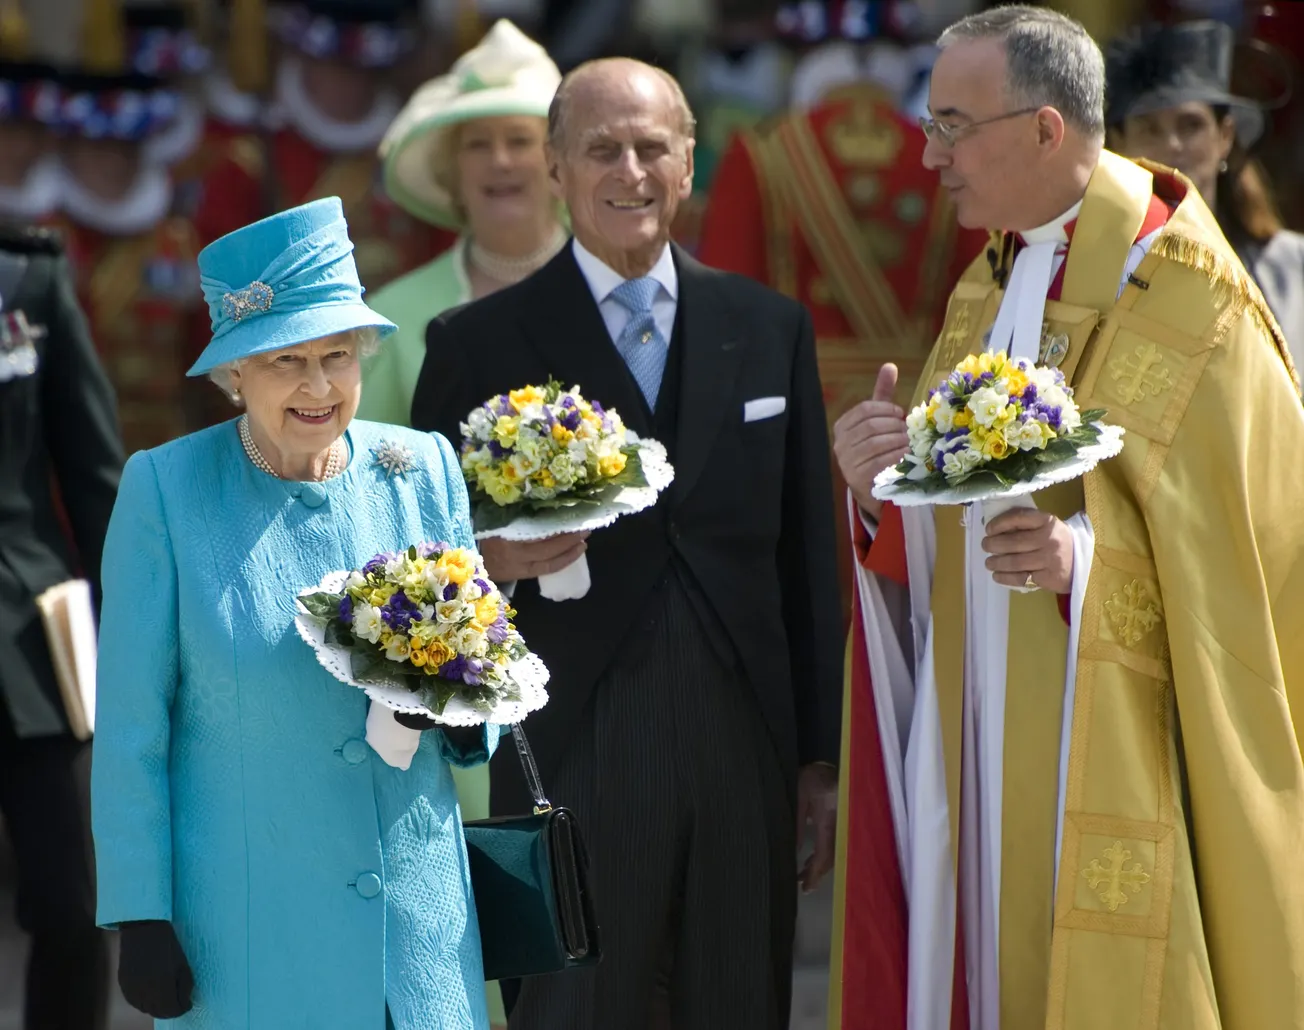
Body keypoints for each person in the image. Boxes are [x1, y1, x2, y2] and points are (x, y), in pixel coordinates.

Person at [832, 6, 1304, 1029]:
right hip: (975, 726)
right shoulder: (988, 282)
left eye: (953, 126)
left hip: (1107, 741)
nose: (929, 155)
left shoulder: (1191, 296)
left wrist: (1081, 561)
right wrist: (879, 493)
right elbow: (943, 517)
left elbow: (1251, 568)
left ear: (1045, 129)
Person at [411, 57, 843, 1029]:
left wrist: (819, 759)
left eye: (652, 147)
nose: (630, 172)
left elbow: (804, 561)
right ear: (555, 167)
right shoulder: (475, 341)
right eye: (601, 149)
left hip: (745, 742)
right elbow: (425, 557)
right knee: (576, 1009)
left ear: (688, 161)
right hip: (571, 740)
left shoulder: (768, 327)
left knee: (738, 1003)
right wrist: (493, 561)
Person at [90, 196, 502, 1030]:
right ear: (234, 374)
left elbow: (484, 669)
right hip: (247, 934)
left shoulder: (421, 469)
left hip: (414, 932)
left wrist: (456, 711)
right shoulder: (166, 490)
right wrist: (138, 911)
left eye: (337, 356)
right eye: (287, 361)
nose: (319, 387)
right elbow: (133, 728)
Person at [698, 0, 988, 621]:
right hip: (921, 427)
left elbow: (725, 313)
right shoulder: (944, 158)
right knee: (920, 616)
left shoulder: (760, 153)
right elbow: (981, 301)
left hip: (797, 428)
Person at [0, 222, 122, 1030]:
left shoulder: (26, 280)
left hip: (31, 648)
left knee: (74, 906)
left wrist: (134, 637)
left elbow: (94, 475)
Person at [359, 18, 565, 427]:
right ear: (452, 172)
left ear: (558, 161)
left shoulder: (615, 290)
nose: (500, 160)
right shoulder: (391, 317)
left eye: (520, 140)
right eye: (478, 144)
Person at [193, 0, 455, 295]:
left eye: (365, 70)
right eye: (336, 65)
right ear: (303, 57)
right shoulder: (248, 162)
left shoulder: (417, 156)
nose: (348, 85)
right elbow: (221, 289)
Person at [48, 0, 205, 454]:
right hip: (74, 452)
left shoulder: (179, 242)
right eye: (100, 146)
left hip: (170, 453)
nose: (114, 163)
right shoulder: (44, 242)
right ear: (70, 147)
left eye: (127, 147)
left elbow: (209, 366)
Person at [1105, 18, 1304, 365]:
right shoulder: (1094, 269)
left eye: (1191, 125)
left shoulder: (1291, 266)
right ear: (1117, 144)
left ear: (1225, 136)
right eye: (1150, 128)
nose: (1172, 144)